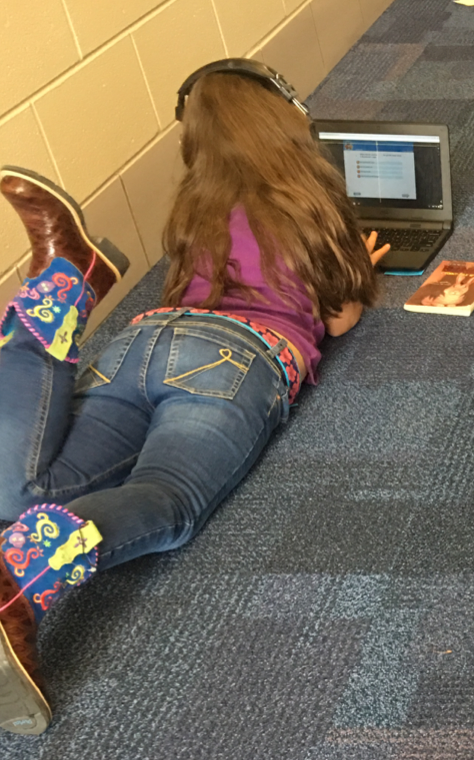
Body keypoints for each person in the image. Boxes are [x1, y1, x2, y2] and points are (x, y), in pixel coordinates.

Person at [0, 60, 389, 735]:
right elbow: (339, 318)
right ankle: (19, 570)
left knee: (23, 496)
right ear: (287, 121)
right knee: (168, 498)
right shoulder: (309, 198)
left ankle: (64, 288)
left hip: (140, 344)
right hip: (236, 358)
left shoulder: (193, 203)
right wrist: (362, 266)